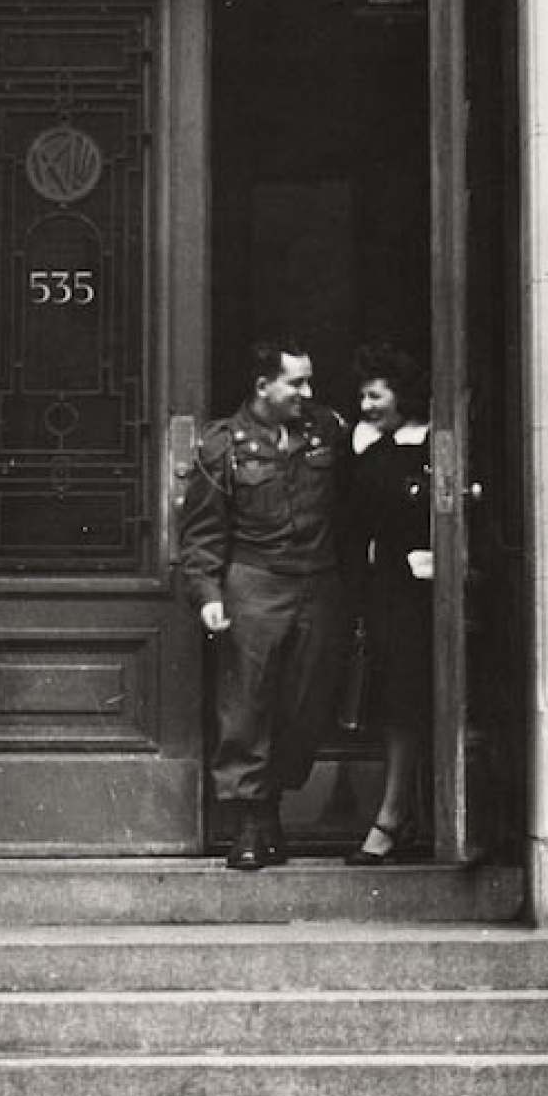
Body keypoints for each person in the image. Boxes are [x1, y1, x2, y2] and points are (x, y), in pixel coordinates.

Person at [174, 336, 351, 870]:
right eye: (296, 383)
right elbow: (202, 532)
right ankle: (250, 822)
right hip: (255, 583)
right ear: (262, 386)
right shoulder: (222, 446)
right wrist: (208, 593)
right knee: (247, 705)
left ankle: (272, 801)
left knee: (306, 706)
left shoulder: (327, 430)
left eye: (309, 382)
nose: (307, 392)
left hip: (318, 584)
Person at [347, 344, 434, 864]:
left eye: (375, 395)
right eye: (363, 396)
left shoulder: (436, 446)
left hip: (428, 592)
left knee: (412, 702)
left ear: (402, 395)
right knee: (395, 704)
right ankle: (400, 815)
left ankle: (395, 818)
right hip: (387, 593)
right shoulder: (366, 449)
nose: (366, 406)